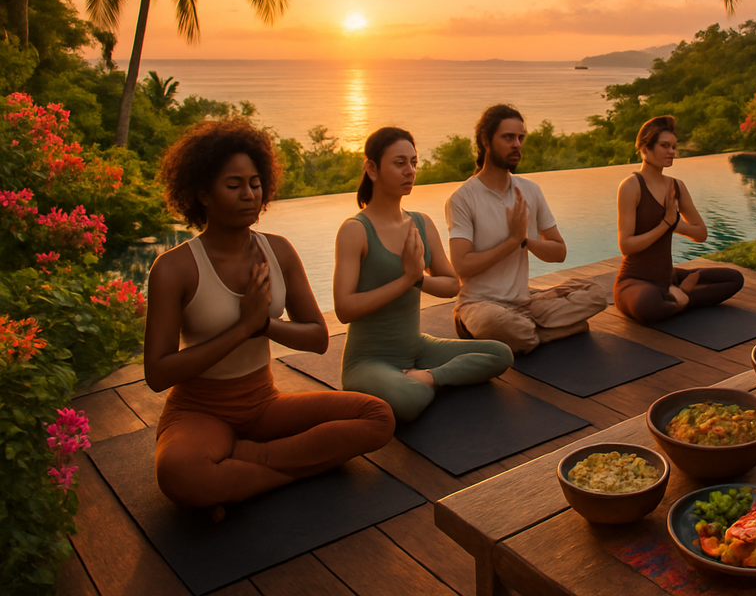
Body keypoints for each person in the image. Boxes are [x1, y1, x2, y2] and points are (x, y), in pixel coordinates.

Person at [144, 119, 395, 515]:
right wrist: (242, 327)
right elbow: (157, 374)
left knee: (378, 417)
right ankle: (275, 468)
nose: (249, 195)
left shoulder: (278, 251)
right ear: (202, 194)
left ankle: (239, 471)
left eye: (255, 182)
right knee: (179, 473)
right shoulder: (174, 268)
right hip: (198, 411)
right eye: (233, 185)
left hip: (263, 405)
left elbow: (317, 337)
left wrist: (263, 325)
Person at [333, 127, 513, 422]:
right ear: (372, 169)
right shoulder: (355, 230)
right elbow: (344, 309)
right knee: (411, 398)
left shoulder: (420, 222)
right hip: (368, 361)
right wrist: (405, 280)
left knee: (500, 354)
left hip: (416, 348)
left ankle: (427, 377)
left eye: (414, 162)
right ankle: (418, 383)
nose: (410, 171)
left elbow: (451, 284)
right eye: (399, 163)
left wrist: (417, 279)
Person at [446, 104, 607, 354]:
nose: (517, 144)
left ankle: (528, 335)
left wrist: (525, 242)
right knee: (495, 323)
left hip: (526, 301)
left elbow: (559, 252)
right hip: (480, 305)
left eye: (521, 138)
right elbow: (462, 266)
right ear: (485, 141)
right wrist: (511, 241)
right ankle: (553, 330)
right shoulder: (463, 198)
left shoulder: (530, 191)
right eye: (508, 137)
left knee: (596, 294)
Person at [613, 115, 743, 324]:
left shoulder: (677, 186)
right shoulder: (631, 186)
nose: (672, 152)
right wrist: (665, 223)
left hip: (667, 276)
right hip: (635, 281)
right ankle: (680, 297)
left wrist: (675, 224)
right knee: (648, 304)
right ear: (646, 148)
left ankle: (675, 296)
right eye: (665, 146)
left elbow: (701, 234)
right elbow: (626, 246)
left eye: (674, 146)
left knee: (734, 279)